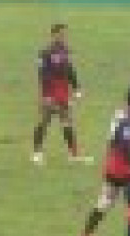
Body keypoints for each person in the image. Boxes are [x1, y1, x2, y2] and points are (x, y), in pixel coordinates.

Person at [77, 85, 130, 236]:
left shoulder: (124, 115)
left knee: (104, 203)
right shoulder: (129, 121)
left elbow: (118, 142)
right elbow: (125, 147)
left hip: (113, 167)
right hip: (125, 171)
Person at [32, 23, 89, 165]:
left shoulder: (65, 51)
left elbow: (70, 70)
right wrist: (46, 95)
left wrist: (76, 88)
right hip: (51, 90)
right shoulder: (45, 53)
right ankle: (37, 153)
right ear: (54, 34)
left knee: (67, 122)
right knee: (44, 121)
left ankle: (73, 154)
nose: (64, 36)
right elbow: (42, 74)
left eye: (65, 34)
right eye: (61, 34)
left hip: (63, 91)